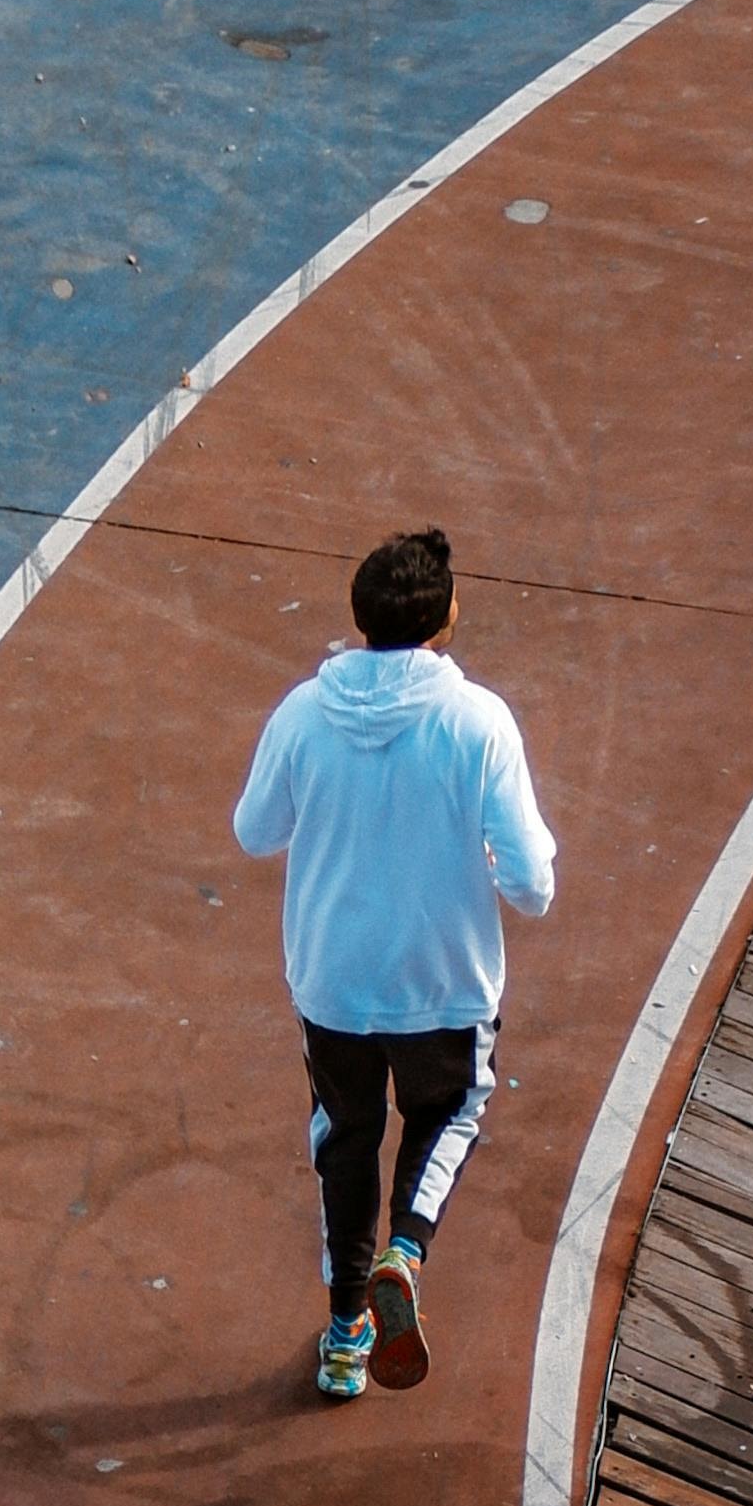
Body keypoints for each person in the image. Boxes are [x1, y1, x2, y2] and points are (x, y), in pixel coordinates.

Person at [232, 526, 556, 1401]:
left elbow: (254, 830)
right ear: (445, 618)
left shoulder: (303, 713)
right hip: (444, 981)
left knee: (345, 1142)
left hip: (333, 981)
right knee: (449, 1113)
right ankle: (405, 1251)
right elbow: (530, 883)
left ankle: (345, 1337)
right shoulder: (479, 722)